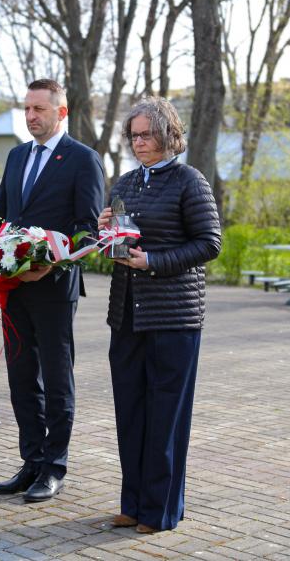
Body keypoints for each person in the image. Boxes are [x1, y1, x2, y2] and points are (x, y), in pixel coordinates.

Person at [98, 97, 221, 533]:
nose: (138, 142)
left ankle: (160, 511)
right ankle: (133, 505)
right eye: (133, 135)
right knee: (130, 412)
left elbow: (209, 243)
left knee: (166, 416)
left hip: (173, 316)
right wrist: (105, 234)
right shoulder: (126, 183)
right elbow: (120, 243)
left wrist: (152, 261)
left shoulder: (190, 181)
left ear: (169, 134)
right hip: (127, 315)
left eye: (146, 134)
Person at [0, 79, 105, 502]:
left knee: (56, 380)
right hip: (14, 287)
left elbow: (88, 230)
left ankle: (54, 467)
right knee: (22, 378)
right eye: (27, 108)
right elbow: (0, 215)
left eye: (39, 108)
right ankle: (32, 462)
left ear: (62, 111)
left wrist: (48, 264)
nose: (31, 116)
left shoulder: (83, 159)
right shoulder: (17, 156)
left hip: (54, 288)